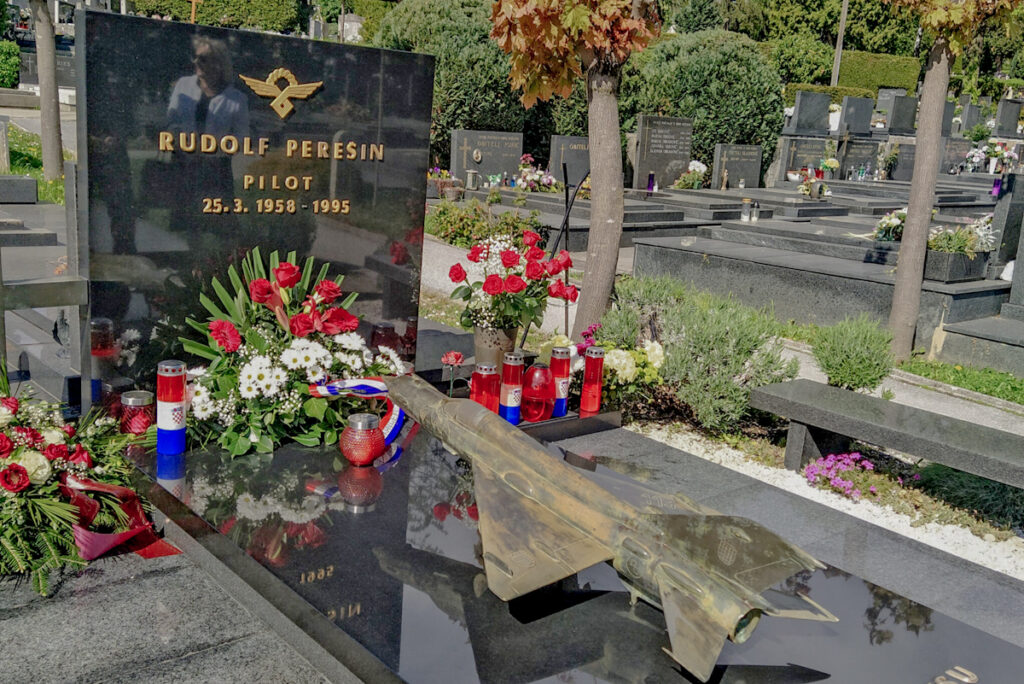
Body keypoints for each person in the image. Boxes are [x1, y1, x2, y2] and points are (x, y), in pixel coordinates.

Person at [164, 35, 249, 242]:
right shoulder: (183, 86)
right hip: (184, 166)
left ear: (218, 63)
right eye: (195, 57)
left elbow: (242, 137)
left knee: (222, 228)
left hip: (216, 170)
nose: (196, 62)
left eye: (203, 59)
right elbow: (171, 122)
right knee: (186, 226)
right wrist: (182, 141)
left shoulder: (237, 99)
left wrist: (214, 148)